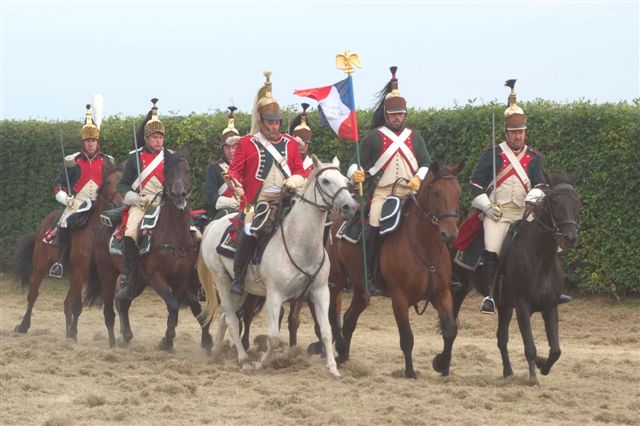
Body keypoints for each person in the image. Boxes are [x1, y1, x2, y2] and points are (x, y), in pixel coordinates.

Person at [469, 79, 572, 314]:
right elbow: (474, 184)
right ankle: (492, 295)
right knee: (493, 247)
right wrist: (486, 206)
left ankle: (553, 290)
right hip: (498, 213)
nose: (518, 137)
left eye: (521, 132)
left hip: (525, 213)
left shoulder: (534, 156)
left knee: (552, 246)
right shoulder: (492, 154)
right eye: (514, 132)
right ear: (506, 133)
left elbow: (540, 183)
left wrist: (533, 198)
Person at [348, 67, 432, 295]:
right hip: (383, 193)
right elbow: (355, 163)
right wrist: (355, 173)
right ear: (386, 115)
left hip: (410, 193)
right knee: (374, 224)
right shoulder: (374, 137)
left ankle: (439, 273)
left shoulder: (415, 137)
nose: (397, 117)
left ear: (405, 114)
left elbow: (426, 163)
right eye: (394, 114)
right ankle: (370, 275)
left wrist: (418, 178)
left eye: (401, 114)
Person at [227, 71, 305, 295]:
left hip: (286, 195)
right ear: (261, 122)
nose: (274, 126)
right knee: (250, 228)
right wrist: (237, 186)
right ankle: (239, 276)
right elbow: (234, 171)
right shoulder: (246, 143)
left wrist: (296, 178)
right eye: (270, 122)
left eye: (277, 122)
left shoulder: (290, 144)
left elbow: (299, 169)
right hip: (254, 199)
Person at [49, 104, 114, 278]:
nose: (91, 144)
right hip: (77, 203)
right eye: (87, 141)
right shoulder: (72, 161)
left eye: (93, 141)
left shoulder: (108, 161)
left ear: (97, 142)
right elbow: (58, 186)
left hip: (102, 203)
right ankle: (61, 262)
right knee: (63, 223)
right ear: (83, 142)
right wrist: (66, 199)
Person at [115, 98, 167, 300]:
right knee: (130, 232)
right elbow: (122, 185)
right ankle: (129, 273)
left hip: (164, 205)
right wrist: (135, 199)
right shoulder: (135, 158)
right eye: (154, 137)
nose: (158, 141)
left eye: (160, 137)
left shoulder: (169, 157)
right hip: (141, 204)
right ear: (146, 138)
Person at [205, 106, 242, 219]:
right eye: (227, 147)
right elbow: (210, 197)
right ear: (222, 148)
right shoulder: (214, 168)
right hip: (221, 213)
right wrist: (231, 203)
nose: (231, 151)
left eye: (234, 147)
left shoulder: (246, 167)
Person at [289, 103, 314, 178]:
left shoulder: (313, 165)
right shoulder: (286, 162)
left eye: (306, 143)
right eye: (299, 143)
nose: (303, 145)